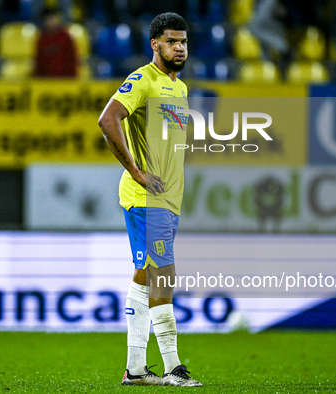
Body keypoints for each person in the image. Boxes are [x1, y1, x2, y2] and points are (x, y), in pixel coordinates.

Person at [98, 12, 202, 387]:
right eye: (172, 41)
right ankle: (174, 366)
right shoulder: (143, 79)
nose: (180, 48)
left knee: (146, 277)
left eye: (184, 42)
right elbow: (108, 120)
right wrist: (138, 173)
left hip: (167, 200)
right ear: (155, 44)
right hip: (144, 198)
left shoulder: (181, 88)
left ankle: (136, 370)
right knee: (163, 278)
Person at [34, 7, 78, 78]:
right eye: (48, 19)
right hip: (45, 81)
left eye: (53, 19)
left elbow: (72, 61)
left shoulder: (66, 37)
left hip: (65, 81)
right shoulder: (42, 38)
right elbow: (39, 62)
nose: (51, 22)